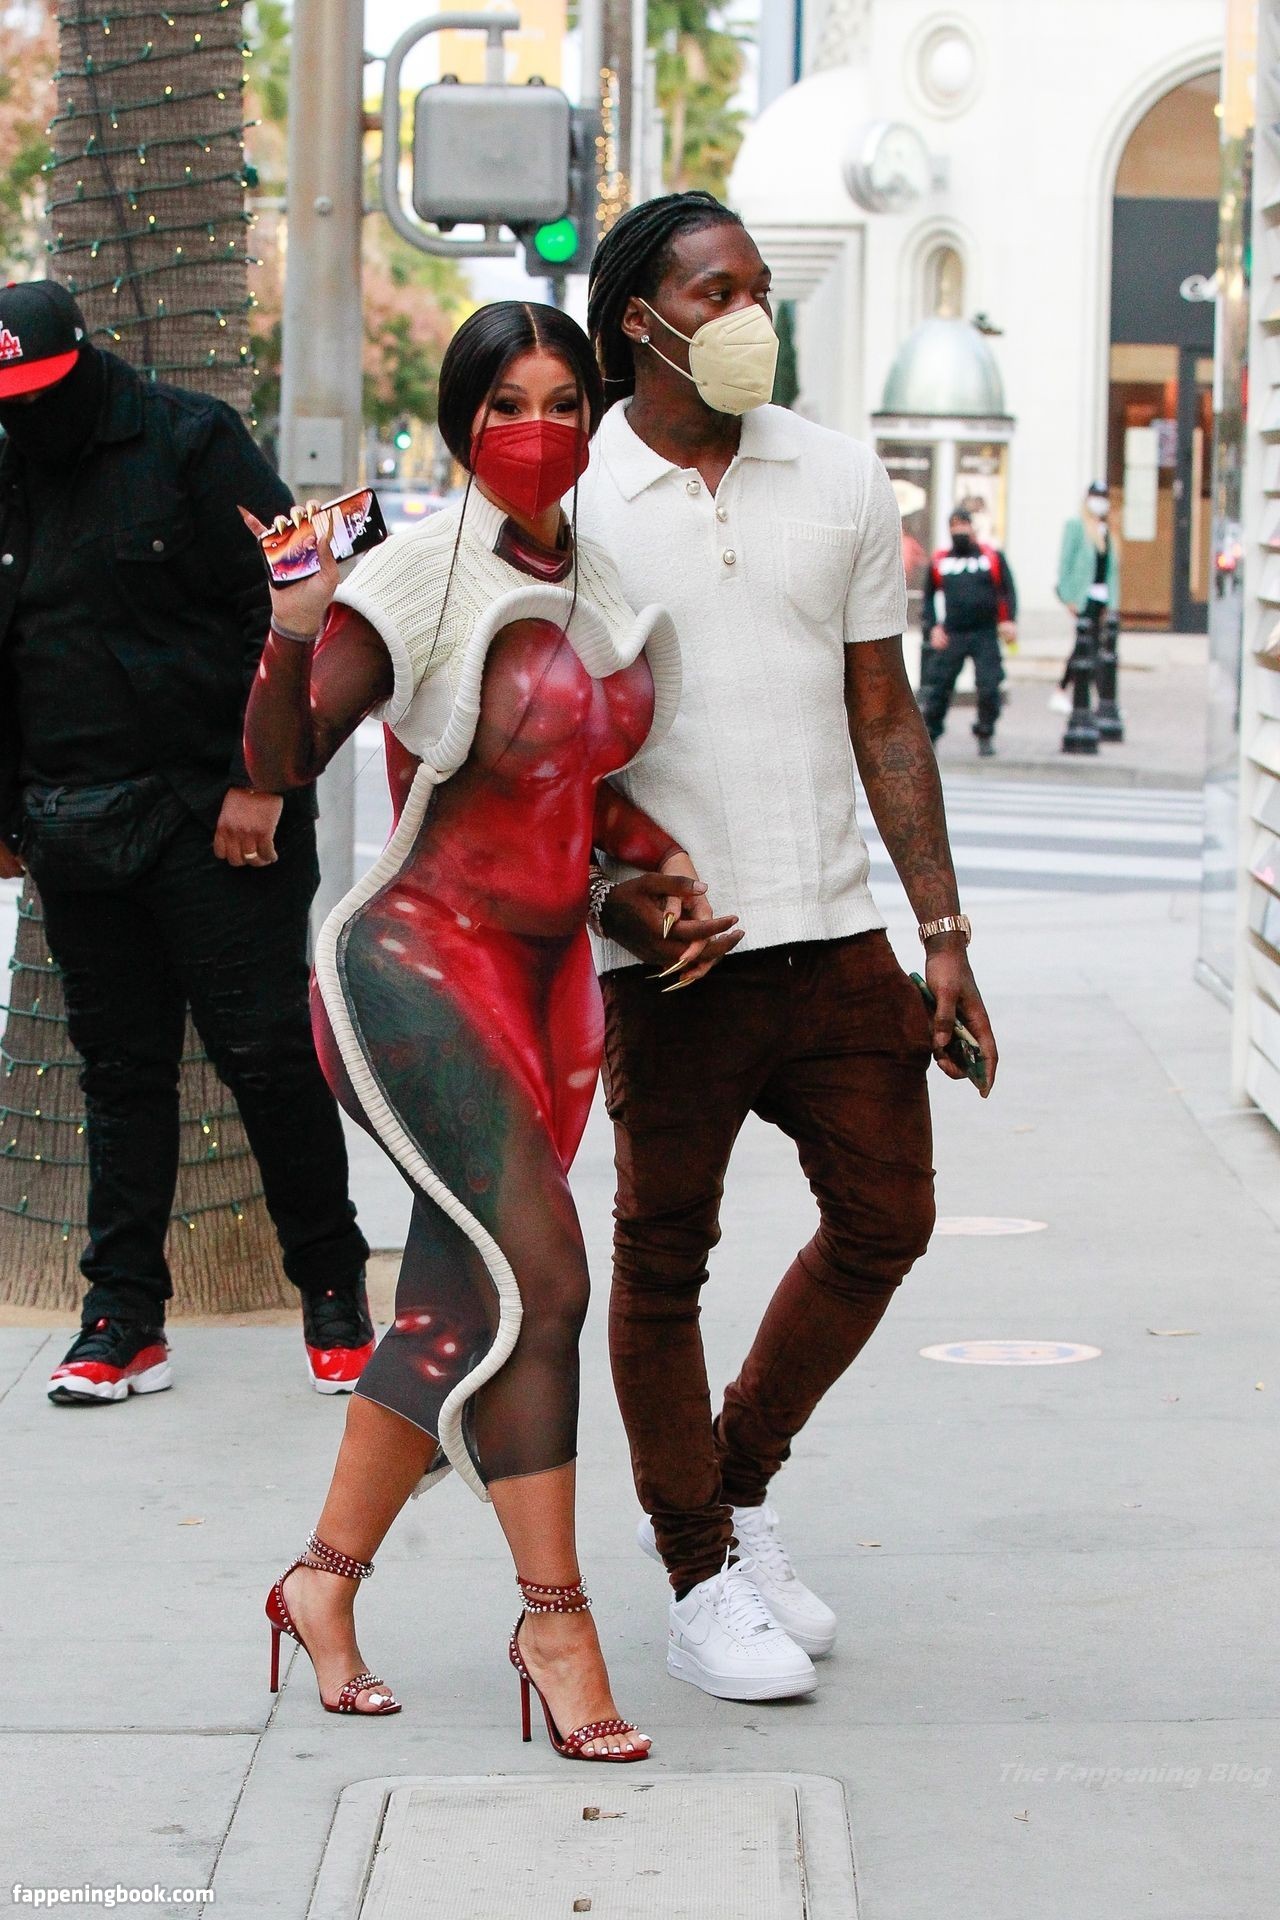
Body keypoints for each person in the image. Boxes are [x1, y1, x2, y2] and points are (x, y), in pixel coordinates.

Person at [242, 302, 720, 1752]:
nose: (538, 429)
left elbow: (577, 787)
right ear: (462, 424)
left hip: (546, 989)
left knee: (462, 1306)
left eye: (564, 400)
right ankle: (554, 1622)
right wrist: (293, 626)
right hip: (413, 968)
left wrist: (647, 881)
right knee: (549, 1282)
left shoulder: (602, 574)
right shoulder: (422, 572)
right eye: (507, 402)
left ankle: (319, 1586)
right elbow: (282, 757)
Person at [578, 191, 998, 1703]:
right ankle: (696, 1575)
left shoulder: (837, 475)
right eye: (717, 290)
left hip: (835, 940)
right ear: (641, 320)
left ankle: (735, 1488)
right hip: (677, 964)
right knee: (660, 1262)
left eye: (758, 285)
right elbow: (532, 754)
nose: (749, 312)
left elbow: (884, 712)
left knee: (887, 1219)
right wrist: (611, 899)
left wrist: (940, 934)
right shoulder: (575, 500)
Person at [0, 280, 372, 1405]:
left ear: (85, 362)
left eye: (43, 392)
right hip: (72, 823)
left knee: (266, 1056)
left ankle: (334, 1295)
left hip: (217, 820)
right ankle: (122, 1320)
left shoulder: (190, 442)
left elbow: (295, 602)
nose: (29, 416)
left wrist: (259, 783)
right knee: (118, 1077)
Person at [919, 506, 1018, 757]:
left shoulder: (990, 556)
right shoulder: (941, 560)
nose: (959, 530)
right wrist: (933, 628)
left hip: (985, 632)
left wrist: (1009, 620)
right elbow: (928, 598)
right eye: (954, 525)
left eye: (964, 524)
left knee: (989, 685)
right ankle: (931, 734)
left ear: (972, 527)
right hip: (953, 633)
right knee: (939, 687)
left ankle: (985, 732)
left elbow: (1007, 590)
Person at [1052, 480, 1120, 714]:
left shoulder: (1106, 530)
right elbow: (1065, 563)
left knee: (1093, 647)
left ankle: (1098, 699)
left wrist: (1113, 602)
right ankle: (1070, 692)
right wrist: (1068, 596)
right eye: (1096, 497)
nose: (1100, 502)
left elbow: (1111, 570)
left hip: (1102, 596)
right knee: (1086, 645)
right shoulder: (1076, 526)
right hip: (1084, 596)